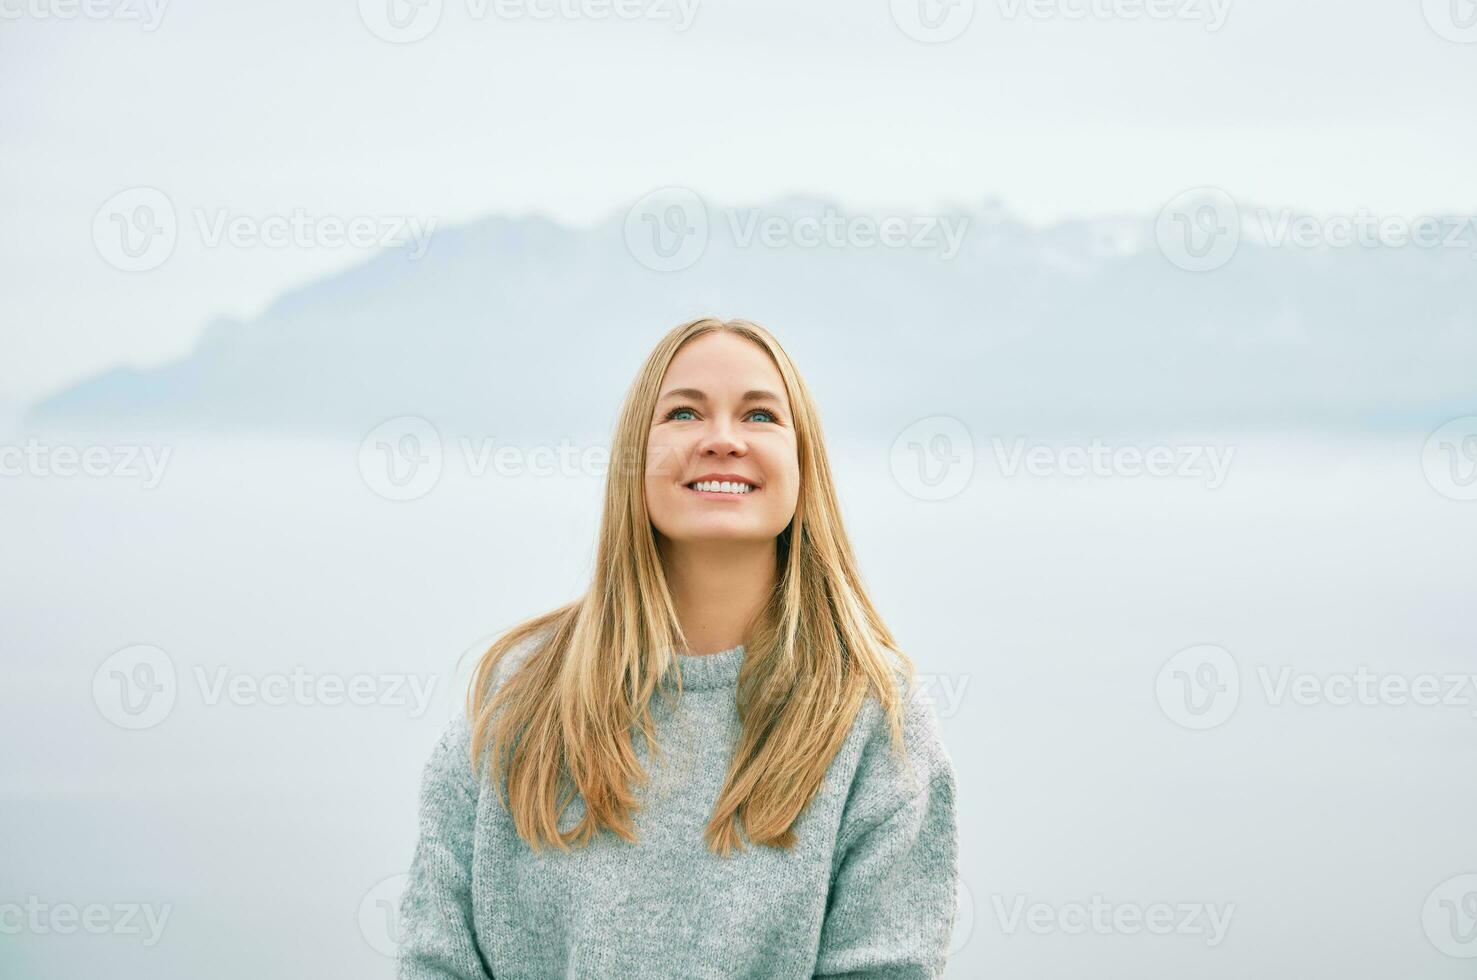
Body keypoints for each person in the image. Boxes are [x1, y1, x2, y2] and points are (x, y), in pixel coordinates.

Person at [397, 316, 959, 978]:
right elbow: (436, 960)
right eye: (685, 412)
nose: (721, 440)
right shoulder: (515, 694)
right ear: (635, 456)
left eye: (758, 416)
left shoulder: (872, 716)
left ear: (804, 465)